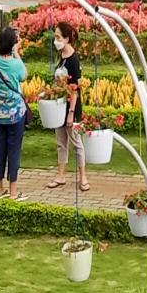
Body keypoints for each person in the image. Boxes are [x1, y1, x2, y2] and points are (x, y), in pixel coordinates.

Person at [47, 21, 89, 191]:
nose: (55, 40)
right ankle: (61, 175)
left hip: (71, 107)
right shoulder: (61, 57)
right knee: (61, 142)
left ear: (66, 39)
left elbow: (75, 89)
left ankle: (83, 177)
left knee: (76, 142)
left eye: (58, 37)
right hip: (59, 107)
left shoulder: (73, 59)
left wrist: (71, 113)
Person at [0, 26, 27, 199]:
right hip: (15, 114)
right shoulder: (15, 64)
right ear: (12, 43)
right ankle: (13, 191)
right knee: (13, 150)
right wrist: (17, 52)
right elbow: (24, 76)